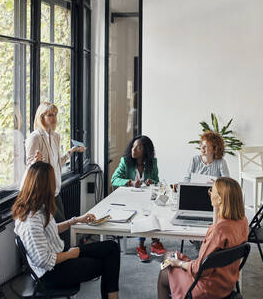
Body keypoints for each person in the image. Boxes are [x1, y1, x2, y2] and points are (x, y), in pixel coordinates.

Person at [13, 162, 120, 299]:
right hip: (51, 273)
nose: (55, 185)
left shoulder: (38, 209)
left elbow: (49, 231)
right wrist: (71, 254)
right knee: (107, 263)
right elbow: (44, 260)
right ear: (45, 186)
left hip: (60, 258)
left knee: (112, 247)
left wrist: (75, 220)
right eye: (53, 181)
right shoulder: (31, 221)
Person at [157, 177, 248, 299]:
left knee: (164, 273)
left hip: (207, 288)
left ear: (220, 199)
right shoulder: (242, 221)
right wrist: (216, 203)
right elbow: (218, 225)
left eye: (212, 191)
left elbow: (197, 270)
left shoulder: (218, 231)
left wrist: (179, 263)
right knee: (169, 255)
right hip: (226, 283)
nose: (210, 193)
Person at [24, 102, 85, 223]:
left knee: (61, 227)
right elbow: (30, 167)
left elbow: (56, 164)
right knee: (61, 228)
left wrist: (71, 151)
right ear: (42, 117)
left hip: (55, 190)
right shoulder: (35, 137)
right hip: (42, 193)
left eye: (55, 114)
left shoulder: (55, 136)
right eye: (50, 115)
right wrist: (36, 161)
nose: (54, 118)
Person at [111, 135, 165, 262]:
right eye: (133, 146)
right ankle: (146, 244)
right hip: (129, 199)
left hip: (146, 198)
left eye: (138, 147)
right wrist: (130, 182)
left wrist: (152, 181)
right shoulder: (125, 162)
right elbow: (114, 179)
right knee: (143, 211)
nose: (133, 150)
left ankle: (152, 242)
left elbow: (156, 180)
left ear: (145, 151)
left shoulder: (152, 162)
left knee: (153, 208)